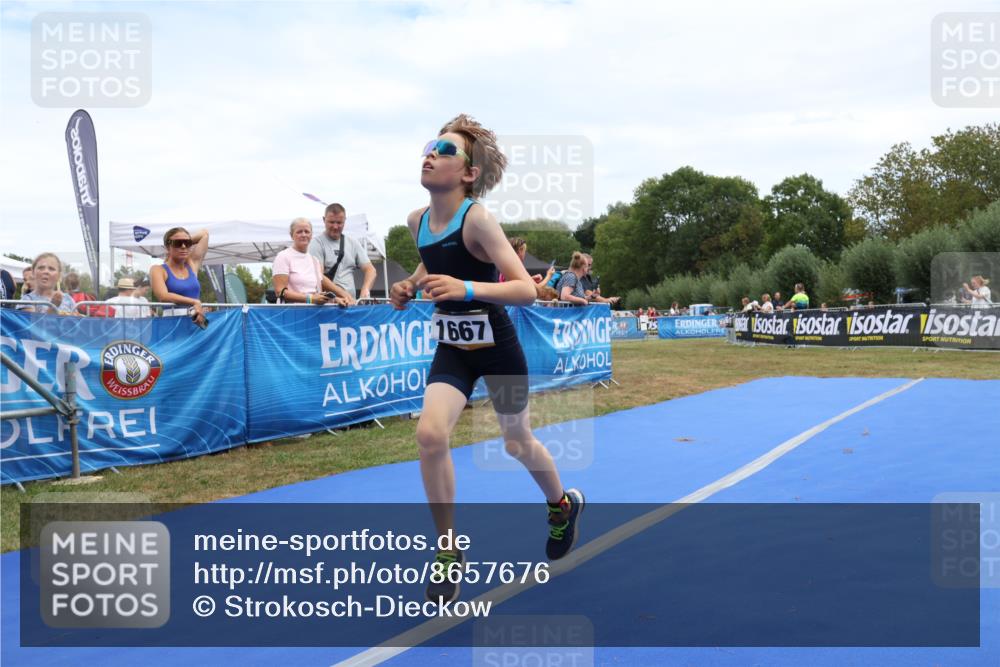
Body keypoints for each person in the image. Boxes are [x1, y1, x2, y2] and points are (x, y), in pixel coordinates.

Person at [389, 114, 584, 603]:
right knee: (430, 435)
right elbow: (434, 259)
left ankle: (561, 506)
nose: (430, 154)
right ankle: (448, 551)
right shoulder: (416, 221)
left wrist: (466, 287)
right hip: (453, 347)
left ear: (469, 174)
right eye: (430, 146)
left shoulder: (478, 218)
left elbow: (526, 289)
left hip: (498, 347)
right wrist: (410, 284)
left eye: (446, 150)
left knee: (517, 441)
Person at [273, 218, 350, 305]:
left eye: (307, 231)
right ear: (291, 235)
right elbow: (280, 292)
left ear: (311, 235)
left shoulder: (314, 261)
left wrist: (336, 299)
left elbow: (316, 293)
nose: (303, 235)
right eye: (299, 232)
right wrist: (310, 298)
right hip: (292, 314)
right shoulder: (283, 257)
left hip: (313, 314)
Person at [308, 203, 376, 302]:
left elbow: (371, 270)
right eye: (331, 222)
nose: (335, 226)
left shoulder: (353, 243)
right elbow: (319, 276)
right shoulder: (317, 243)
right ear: (324, 220)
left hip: (350, 303)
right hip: (328, 304)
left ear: (345, 221)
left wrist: (365, 290)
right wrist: (344, 294)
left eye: (339, 222)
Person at [150, 227, 209, 325]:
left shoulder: (192, 264)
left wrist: (182, 240)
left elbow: (204, 234)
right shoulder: (158, 269)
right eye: (178, 243)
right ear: (167, 247)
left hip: (196, 322)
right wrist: (194, 302)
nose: (183, 246)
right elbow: (163, 296)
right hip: (172, 324)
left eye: (187, 243)